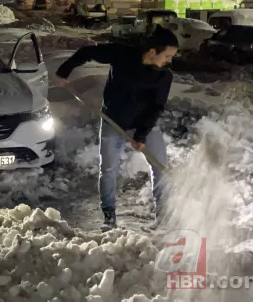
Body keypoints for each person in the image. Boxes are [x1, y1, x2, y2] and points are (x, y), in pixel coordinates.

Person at [54, 25, 179, 231]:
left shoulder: (164, 76)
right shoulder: (122, 55)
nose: (169, 61)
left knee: (159, 167)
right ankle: (109, 215)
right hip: (113, 121)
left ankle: (163, 218)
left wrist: (141, 135)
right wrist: (64, 70)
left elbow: (156, 107)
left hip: (144, 124)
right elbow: (86, 52)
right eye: (167, 56)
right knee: (109, 169)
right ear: (152, 51)